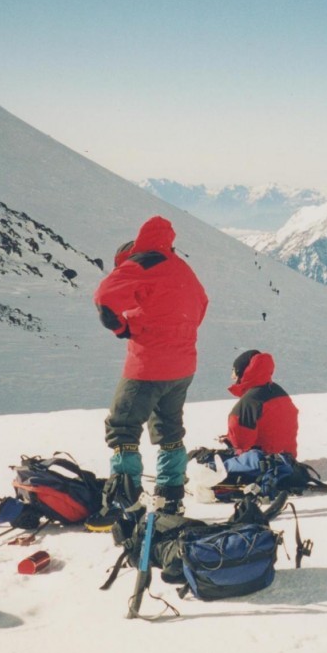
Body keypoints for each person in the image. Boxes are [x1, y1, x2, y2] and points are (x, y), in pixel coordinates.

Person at [88, 215, 209, 527]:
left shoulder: (144, 261)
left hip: (147, 366)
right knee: (170, 430)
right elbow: (200, 305)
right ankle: (171, 499)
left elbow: (105, 296)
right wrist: (155, 327)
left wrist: (120, 326)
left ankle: (124, 502)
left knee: (123, 427)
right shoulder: (181, 267)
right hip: (183, 366)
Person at [219, 349, 299, 457]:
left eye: (233, 370)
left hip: (266, 462)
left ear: (241, 372)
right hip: (288, 459)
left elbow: (241, 444)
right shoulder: (277, 391)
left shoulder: (249, 402)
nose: (232, 376)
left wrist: (229, 441)